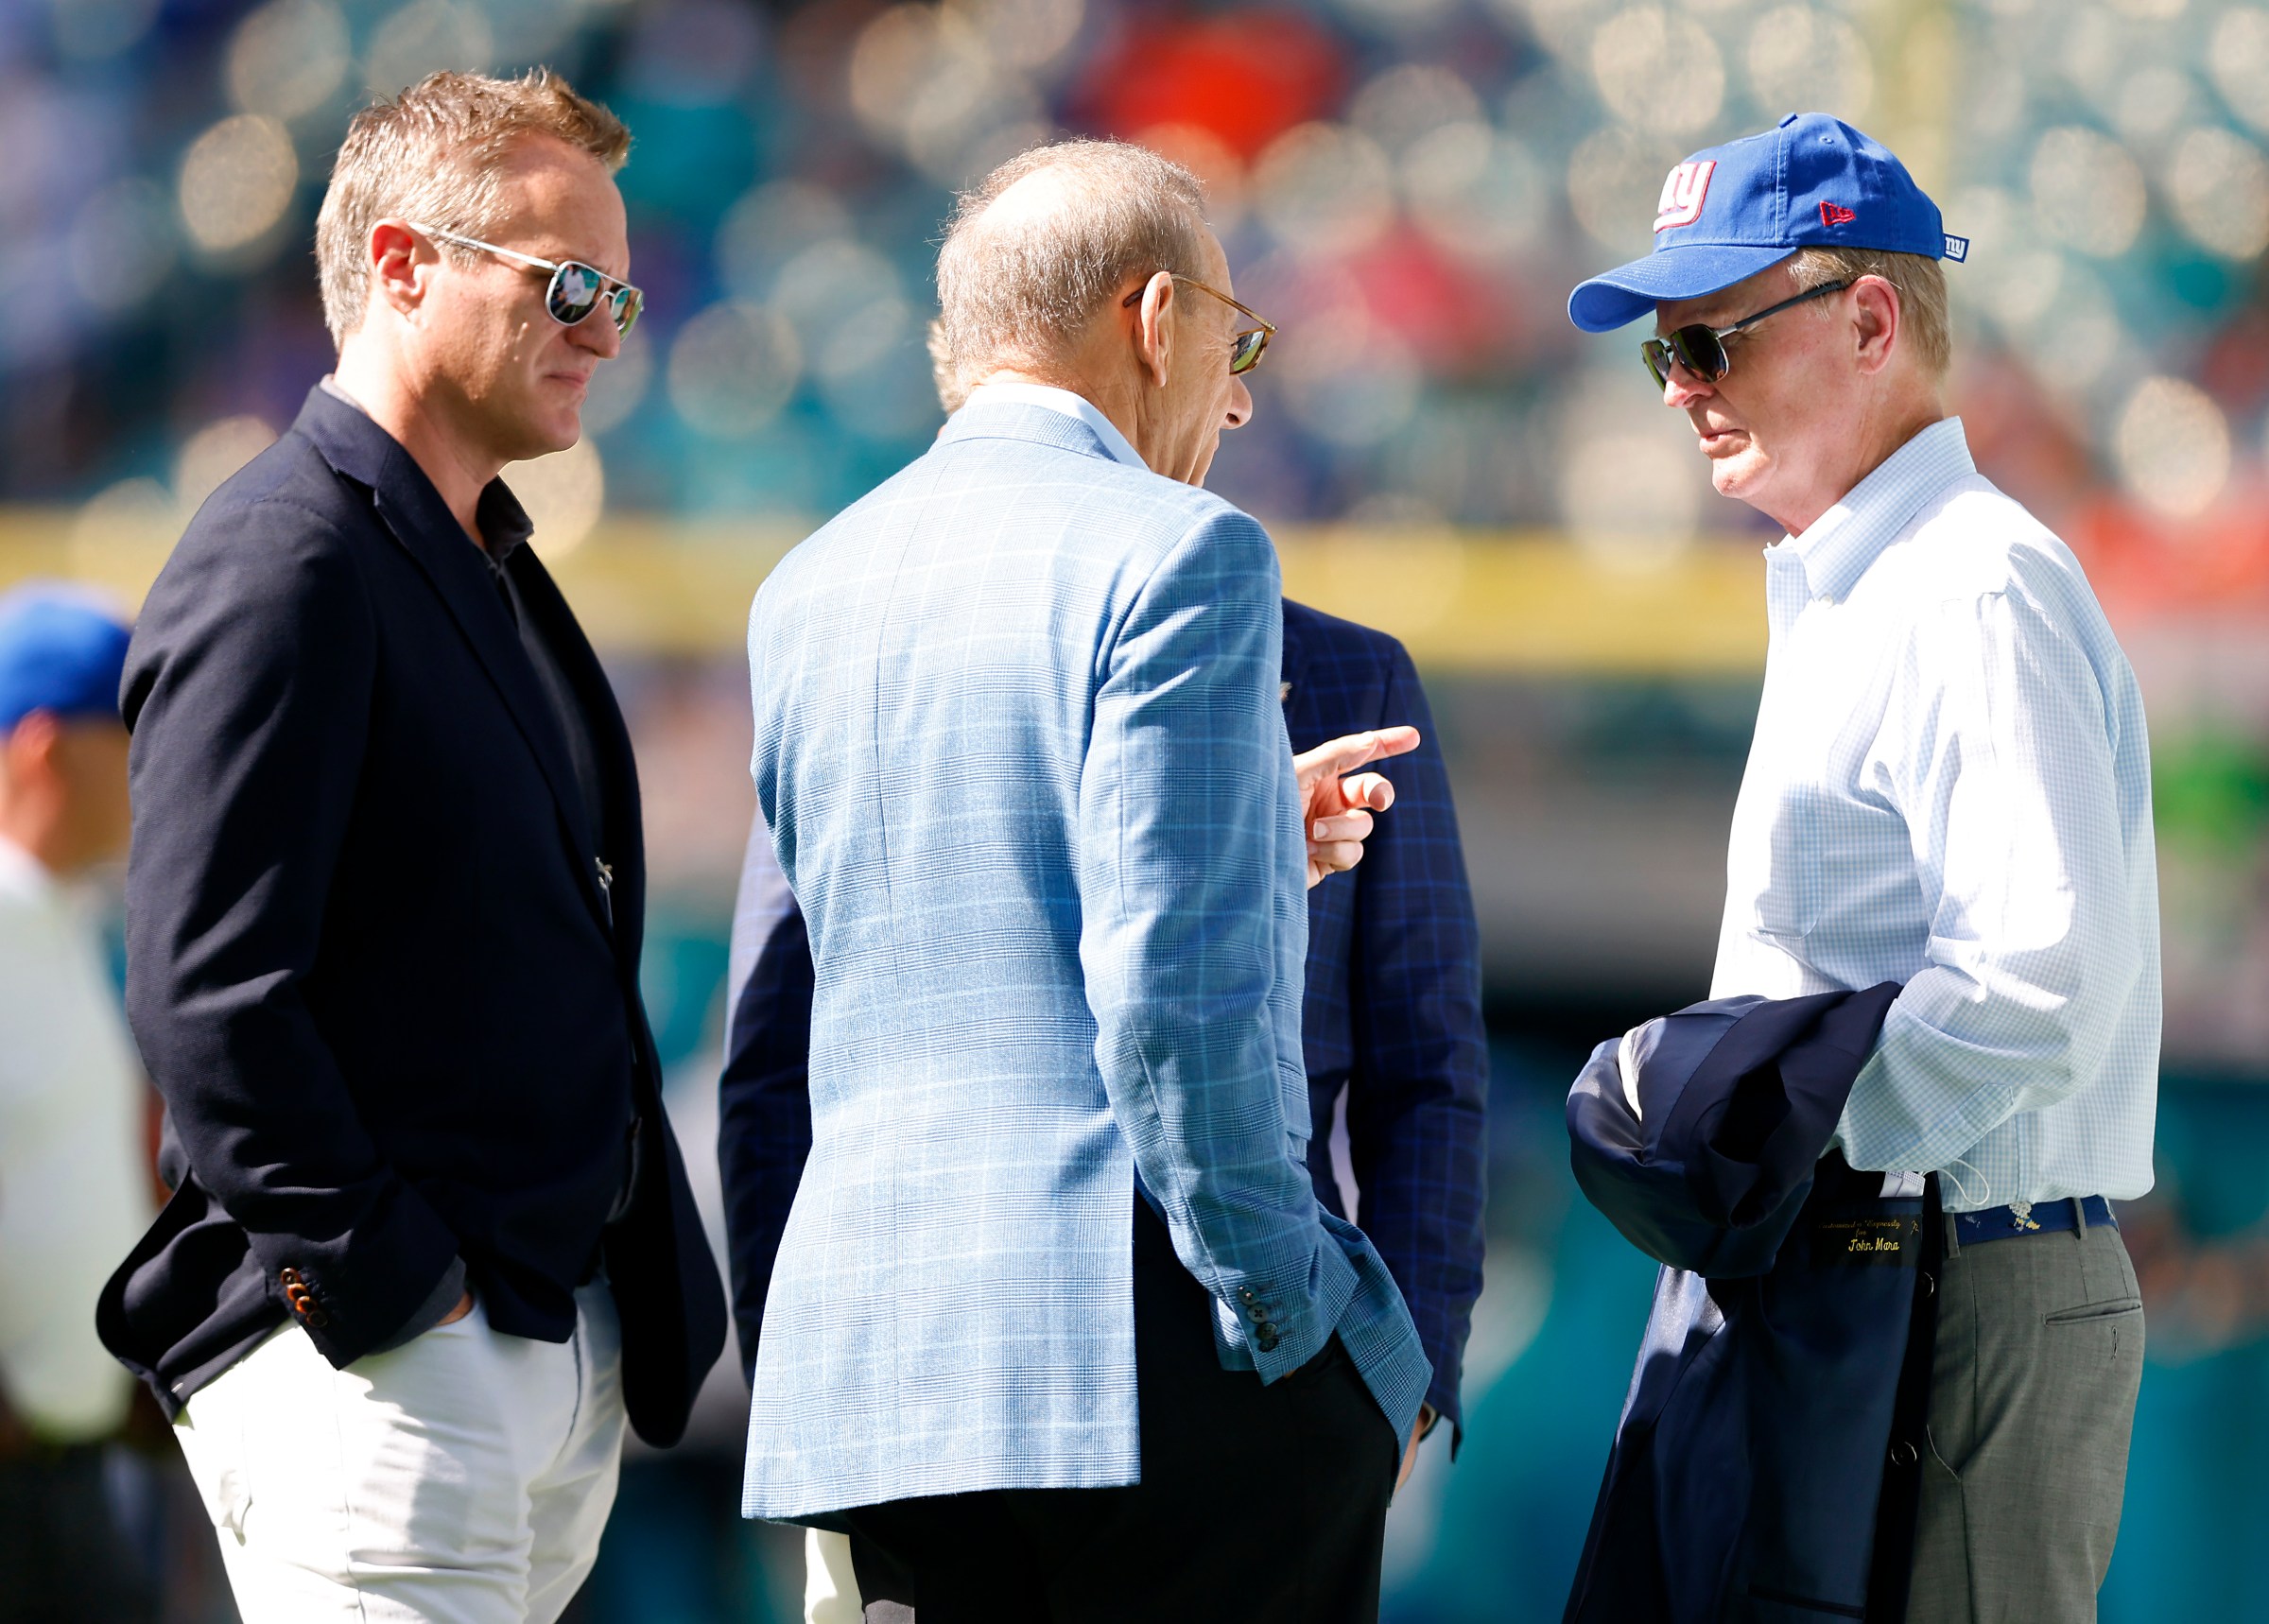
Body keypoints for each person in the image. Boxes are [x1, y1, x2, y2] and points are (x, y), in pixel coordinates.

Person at [739, 138, 1434, 1623]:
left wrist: (1257, 840)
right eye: (1239, 342)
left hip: (874, 1382)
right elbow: (1173, 999)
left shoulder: (807, 585)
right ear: (1156, 316)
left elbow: (908, 940)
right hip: (1132, 1354)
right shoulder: (1185, 550)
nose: (1237, 398)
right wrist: (1286, 1302)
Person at [95, 70, 725, 1624]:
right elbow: (210, 995)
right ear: (400, 265)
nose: (605, 330)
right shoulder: (283, 553)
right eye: (566, 282)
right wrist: (392, 1285)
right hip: (390, 1361)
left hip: (527, 1340)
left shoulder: (483, 558)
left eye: (622, 294)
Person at [1568, 112, 2157, 1621]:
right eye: (1664, 354)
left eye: (1712, 342)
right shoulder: (1878, 576)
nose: (1682, 388)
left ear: (1872, 321)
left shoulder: (1970, 582)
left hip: (1958, 1277)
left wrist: (1763, 1123)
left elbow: (2035, 982)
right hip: (1871, 1268)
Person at [0, 587, 157, 1624]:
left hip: (78, 1463)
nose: (155, 769)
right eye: (129, 737)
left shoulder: (68, 923)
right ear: (48, 748)